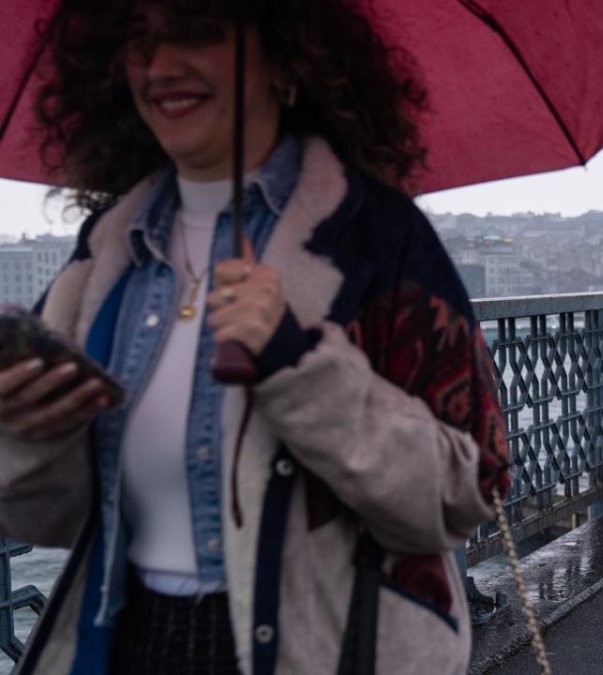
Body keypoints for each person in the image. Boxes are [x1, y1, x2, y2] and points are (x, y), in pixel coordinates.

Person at [0, 2, 508, 673]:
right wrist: (28, 433)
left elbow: (465, 488)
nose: (159, 67)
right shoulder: (104, 257)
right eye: (138, 42)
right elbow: (54, 522)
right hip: (129, 645)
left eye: (195, 32)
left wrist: (298, 365)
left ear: (287, 57)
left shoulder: (374, 237)